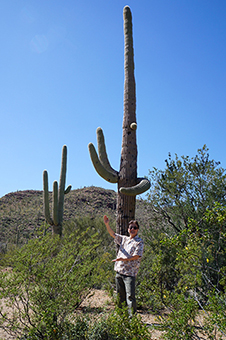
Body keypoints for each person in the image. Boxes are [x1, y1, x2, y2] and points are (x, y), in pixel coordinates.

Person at [103, 215, 144, 315]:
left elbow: (137, 256)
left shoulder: (139, 242)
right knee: (120, 296)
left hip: (130, 273)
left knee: (130, 296)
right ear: (128, 229)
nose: (132, 229)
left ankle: (132, 319)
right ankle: (121, 317)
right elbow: (113, 234)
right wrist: (107, 224)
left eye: (134, 227)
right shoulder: (124, 239)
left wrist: (124, 259)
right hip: (120, 271)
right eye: (131, 227)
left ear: (137, 229)